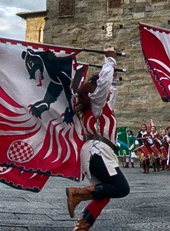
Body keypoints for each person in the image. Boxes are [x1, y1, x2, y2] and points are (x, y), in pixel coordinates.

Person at [64, 49, 129, 231]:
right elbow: (104, 86)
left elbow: (111, 91)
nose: (108, 92)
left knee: (104, 194)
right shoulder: (96, 102)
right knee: (122, 189)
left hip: (95, 150)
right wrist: (109, 61)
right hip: (98, 150)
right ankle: (76, 193)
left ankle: (81, 227)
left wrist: (113, 75)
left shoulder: (99, 107)